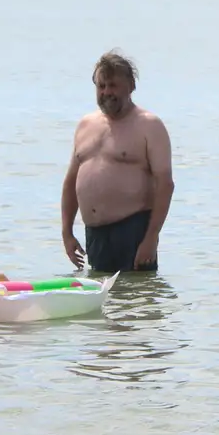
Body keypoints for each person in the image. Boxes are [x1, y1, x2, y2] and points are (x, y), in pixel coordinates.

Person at [61, 51, 174, 274]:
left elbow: (165, 185)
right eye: (101, 86)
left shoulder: (149, 126)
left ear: (131, 86)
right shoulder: (86, 125)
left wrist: (151, 237)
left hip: (133, 233)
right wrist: (67, 233)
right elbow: (71, 182)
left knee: (136, 302)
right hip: (95, 235)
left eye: (113, 85)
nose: (106, 92)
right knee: (104, 303)